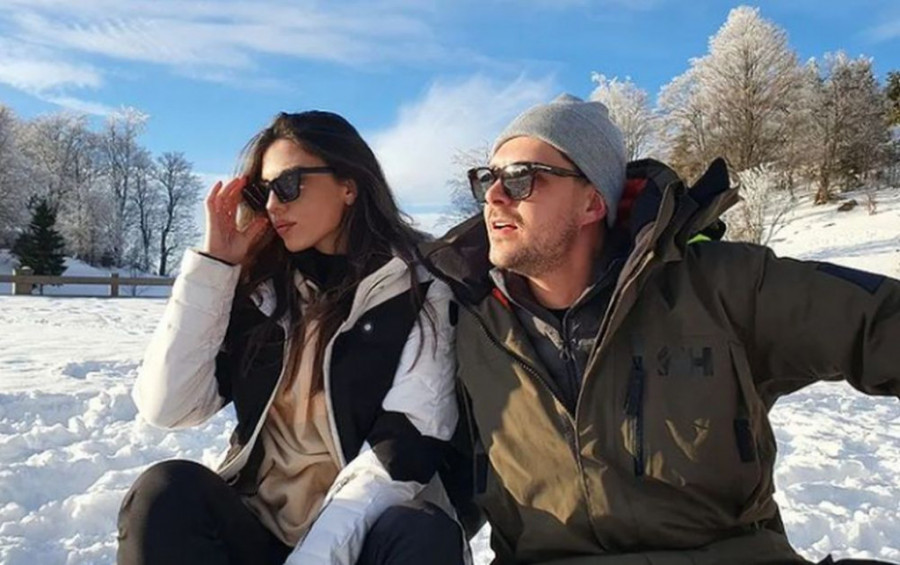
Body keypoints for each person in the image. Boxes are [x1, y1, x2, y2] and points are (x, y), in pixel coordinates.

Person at [419, 94, 900, 564]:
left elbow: (879, 321)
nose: (495, 196)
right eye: (488, 178)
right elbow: (427, 469)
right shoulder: (465, 322)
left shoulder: (718, 288)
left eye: (522, 177)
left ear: (592, 203)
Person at [118, 111, 464, 565]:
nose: (272, 205)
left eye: (288, 184)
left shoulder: (418, 288)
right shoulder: (263, 292)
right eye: (261, 192)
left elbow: (401, 455)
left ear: (348, 185)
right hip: (255, 527)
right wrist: (215, 268)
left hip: (364, 534)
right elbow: (168, 408)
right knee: (165, 493)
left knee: (422, 531)